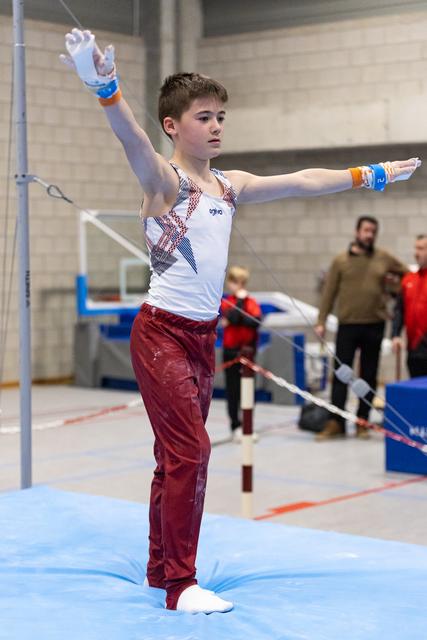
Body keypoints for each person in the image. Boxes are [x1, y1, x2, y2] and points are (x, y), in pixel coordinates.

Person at [61, 28, 420, 613]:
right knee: (192, 452)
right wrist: (105, 87)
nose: (218, 125)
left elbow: (305, 182)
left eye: (222, 115)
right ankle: (179, 585)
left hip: (204, 337)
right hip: (161, 333)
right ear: (173, 125)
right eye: (205, 116)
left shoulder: (229, 186)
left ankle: (159, 567)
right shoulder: (165, 181)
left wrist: (373, 173)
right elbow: (130, 139)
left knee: (174, 456)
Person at [315, 216, 408, 440]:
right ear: (357, 232)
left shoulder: (383, 257)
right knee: (341, 375)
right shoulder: (340, 261)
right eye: (366, 230)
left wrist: (392, 286)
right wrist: (321, 320)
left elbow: (407, 275)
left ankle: (362, 422)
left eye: (373, 231)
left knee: (369, 375)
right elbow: (329, 292)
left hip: (374, 325)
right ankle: (336, 421)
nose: (370, 235)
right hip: (347, 325)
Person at [220, 266, 262, 441]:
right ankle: (235, 426)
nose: (235, 285)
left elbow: (255, 321)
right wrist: (239, 301)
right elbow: (234, 317)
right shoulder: (227, 301)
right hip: (230, 352)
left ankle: (247, 426)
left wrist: (238, 316)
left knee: (247, 391)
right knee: (233, 391)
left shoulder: (251, 302)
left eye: (238, 282)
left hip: (248, 352)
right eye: (233, 282)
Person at [392, 235, 427, 378]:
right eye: (415, 248)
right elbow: (399, 310)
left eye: (421, 248)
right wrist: (395, 334)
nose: (416, 253)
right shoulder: (408, 280)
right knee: (417, 391)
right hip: (414, 348)